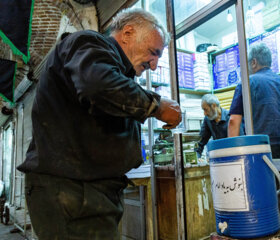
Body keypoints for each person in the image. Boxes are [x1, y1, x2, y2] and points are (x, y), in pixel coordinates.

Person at [17, 9, 182, 240]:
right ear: (127, 33)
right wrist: (157, 106)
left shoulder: (118, 71)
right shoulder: (88, 42)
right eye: (153, 53)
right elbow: (98, 85)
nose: (154, 65)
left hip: (88, 191)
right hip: (73, 192)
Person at [228, 43, 280, 223]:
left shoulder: (247, 84)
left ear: (253, 62)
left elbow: (233, 122)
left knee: (267, 204)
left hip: (264, 152)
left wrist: (233, 159)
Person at [195, 94, 230, 158]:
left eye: (205, 109)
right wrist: (196, 157)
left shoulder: (230, 117)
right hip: (218, 158)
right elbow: (200, 142)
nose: (204, 113)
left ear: (214, 106)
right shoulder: (207, 120)